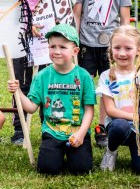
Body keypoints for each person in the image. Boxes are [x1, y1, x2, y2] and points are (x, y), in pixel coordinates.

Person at [8, 24, 95, 175]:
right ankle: (55, 154)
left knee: (81, 170)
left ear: (75, 51)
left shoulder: (84, 76)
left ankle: (74, 153)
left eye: (62, 47)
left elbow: (89, 111)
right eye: (52, 46)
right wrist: (18, 92)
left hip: (77, 133)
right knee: (47, 169)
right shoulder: (42, 76)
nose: (56, 51)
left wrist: (81, 134)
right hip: (52, 132)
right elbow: (31, 108)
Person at [4, 0, 62, 144]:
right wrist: (27, 25)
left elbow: (59, 4)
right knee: (21, 82)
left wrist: (50, 26)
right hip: (20, 37)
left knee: (48, 81)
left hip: (47, 39)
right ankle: (20, 129)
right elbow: (10, 5)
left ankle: (48, 126)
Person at [73, 0, 132, 147]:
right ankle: (80, 127)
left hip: (112, 48)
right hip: (87, 45)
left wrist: (127, 46)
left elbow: (125, 20)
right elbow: (77, 16)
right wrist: (75, 42)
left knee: (109, 88)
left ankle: (102, 127)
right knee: (84, 86)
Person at [97, 25, 140, 173]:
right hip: (117, 126)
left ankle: (135, 148)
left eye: (128, 48)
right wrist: (138, 117)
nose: (122, 53)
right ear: (111, 49)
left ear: (138, 50)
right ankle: (111, 150)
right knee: (119, 126)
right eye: (117, 48)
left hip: (139, 129)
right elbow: (110, 110)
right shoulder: (106, 76)